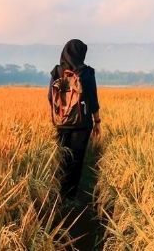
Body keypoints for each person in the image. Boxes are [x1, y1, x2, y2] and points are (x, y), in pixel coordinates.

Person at [48, 39, 101, 202]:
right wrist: (97, 122)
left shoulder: (57, 71)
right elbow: (92, 99)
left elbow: (50, 97)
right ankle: (70, 196)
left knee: (62, 156)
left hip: (61, 122)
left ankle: (58, 193)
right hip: (81, 123)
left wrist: (60, 113)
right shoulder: (86, 73)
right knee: (76, 159)